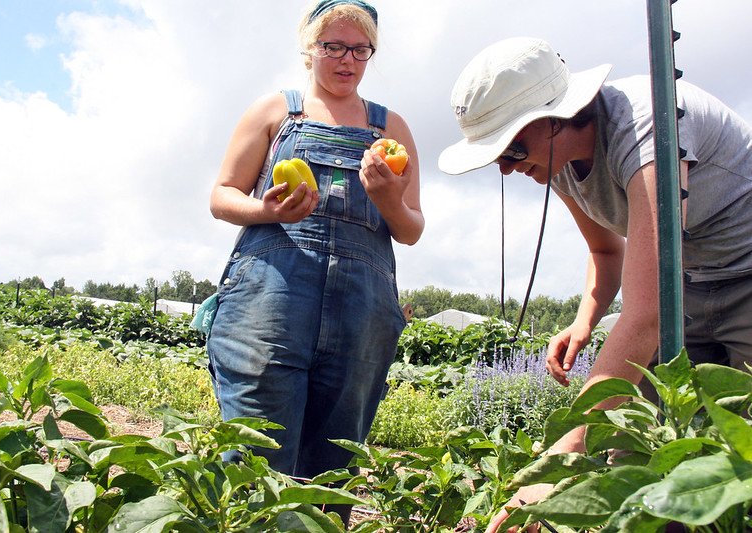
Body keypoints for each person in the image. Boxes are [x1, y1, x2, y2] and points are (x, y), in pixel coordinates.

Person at [437, 36, 752, 532]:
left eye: (512, 147)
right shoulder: (556, 164)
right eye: (496, 155)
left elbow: (647, 314)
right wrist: (584, 321)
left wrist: (565, 458)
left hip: (746, 275)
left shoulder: (646, 126)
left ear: (557, 116)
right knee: (638, 455)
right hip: (690, 284)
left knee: (741, 455)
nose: (507, 167)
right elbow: (606, 251)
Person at [202, 0, 423, 523]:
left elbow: (411, 228)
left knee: (333, 465)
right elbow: (221, 195)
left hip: (360, 315)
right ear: (310, 48)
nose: (347, 60)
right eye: (333, 47)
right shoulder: (276, 112)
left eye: (360, 50)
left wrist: (388, 198)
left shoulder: (391, 128)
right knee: (257, 453)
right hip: (270, 303)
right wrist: (266, 208)